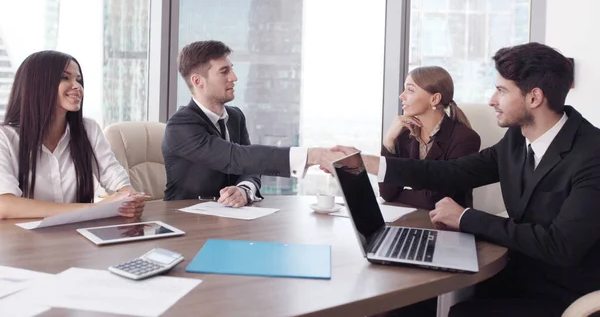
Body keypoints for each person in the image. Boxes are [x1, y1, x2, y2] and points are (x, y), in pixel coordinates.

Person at [333, 43, 598, 316]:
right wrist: (370, 163)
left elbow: (560, 246)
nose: (492, 100)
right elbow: (453, 171)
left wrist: (465, 217)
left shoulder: (592, 154)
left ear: (534, 98)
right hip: (515, 275)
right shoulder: (518, 139)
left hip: (564, 294)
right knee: (408, 298)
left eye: (502, 90)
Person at [162, 40, 342, 206]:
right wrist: (312, 156)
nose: (234, 77)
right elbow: (236, 157)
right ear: (197, 81)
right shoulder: (181, 126)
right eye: (224, 71)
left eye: (231, 69)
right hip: (186, 223)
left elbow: (250, 166)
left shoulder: (235, 116)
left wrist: (244, 189)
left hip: (230, 221)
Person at [0, 51, 145, 220]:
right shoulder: (5, 137)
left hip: (76, 238)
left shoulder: (89, 129)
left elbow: (114, 176)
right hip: (25, 241)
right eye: (65, 78)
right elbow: (5, 205)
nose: (77, 86)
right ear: (37, 84)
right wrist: (94, 208)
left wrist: (128, 197)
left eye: (79, 80)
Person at [380, 66, 480, 209]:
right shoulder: (405, 135)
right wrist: (388, 141)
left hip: (449, 225)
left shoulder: (464, 139)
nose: (402, 96)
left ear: (434, 98)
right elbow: (388, 193)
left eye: (410, 90)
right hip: (413, 219)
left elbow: (434, 199)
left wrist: (399, 195)